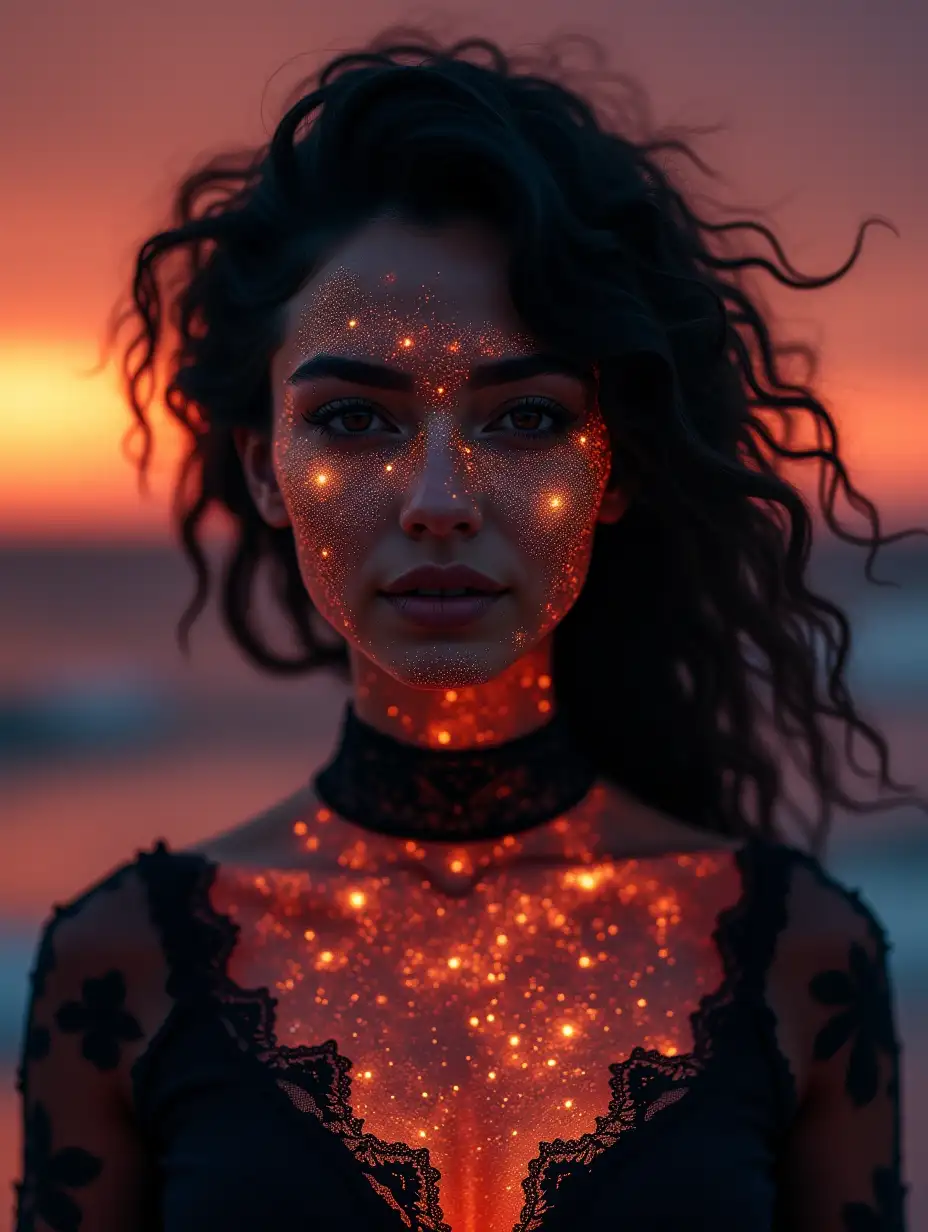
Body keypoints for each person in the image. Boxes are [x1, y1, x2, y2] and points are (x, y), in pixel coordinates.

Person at [13, 28, 924, 1232]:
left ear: (615, 467)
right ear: (267, 468)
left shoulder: (798, 958)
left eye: (524, 417)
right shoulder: (122, 968)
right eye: (352, 419)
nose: (438, 498)